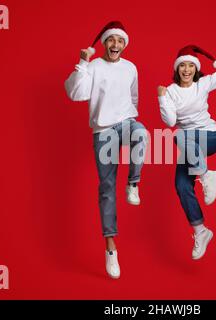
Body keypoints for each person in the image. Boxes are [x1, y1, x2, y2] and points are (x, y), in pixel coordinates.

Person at [157, 29, 216, 260]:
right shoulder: (169, 92)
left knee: (179, 136)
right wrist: (161, 97)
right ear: (177, 69)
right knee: (181, 186)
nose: (186, 70)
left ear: (196, 68)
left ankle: (207, 174)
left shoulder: (203, 84)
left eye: (190, 66)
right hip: (189, 146)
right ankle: (201, 231)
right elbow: (169, 121)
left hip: (209, 137)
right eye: (182, 66)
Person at [65, 21, 147, 279]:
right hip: (102, 131)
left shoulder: (130, 68)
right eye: (111, 40)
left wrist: (129, 118)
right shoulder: (93, 67)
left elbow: (134, 98)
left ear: (124, 45)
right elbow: (75, 93)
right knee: (107, 189)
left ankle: (133, 184)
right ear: (105, 43)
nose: (115, 45)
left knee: (141, 133)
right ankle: (111, 249)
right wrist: (82, 63)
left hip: (126, 123)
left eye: (120, 41)